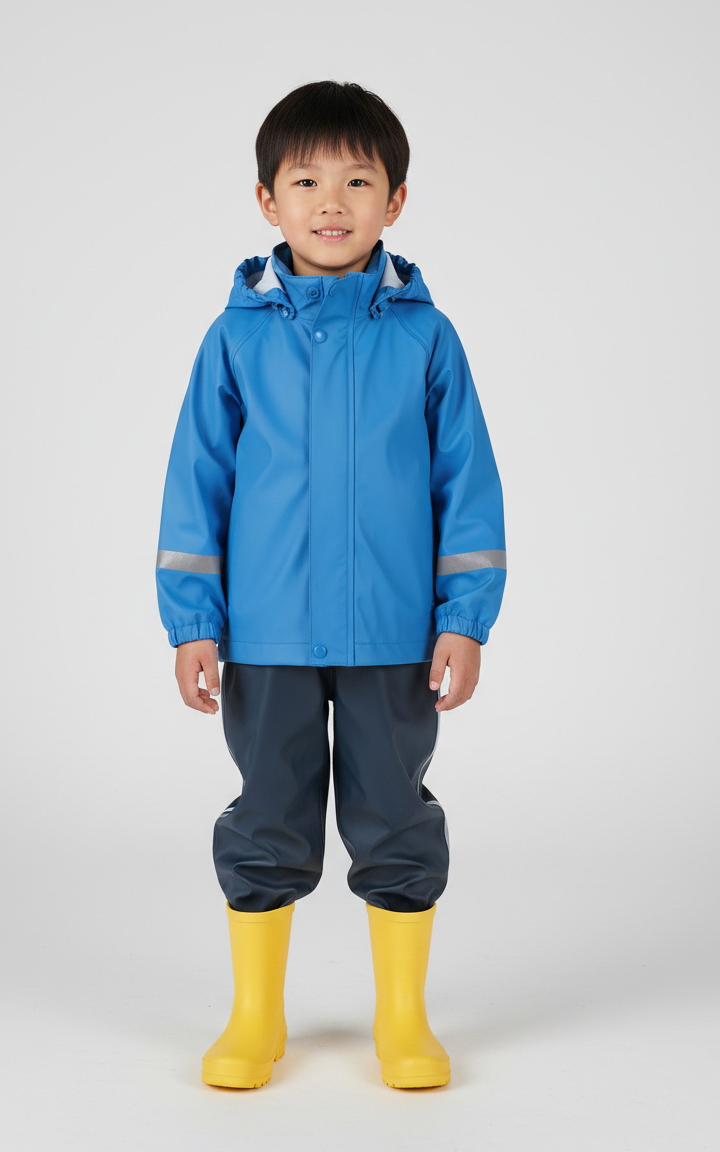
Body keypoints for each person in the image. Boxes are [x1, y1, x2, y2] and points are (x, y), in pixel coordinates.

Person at [155, 80, 506, 1090]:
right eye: (305, 181)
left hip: (393, 636)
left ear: (395, 200)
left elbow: (466, 487)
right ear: (266, 199)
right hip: (265, 635)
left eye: (358, 180)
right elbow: (196, 486)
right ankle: (254, 1016)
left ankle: (402, 1018)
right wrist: (192, 622)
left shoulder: (427, 338)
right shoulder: (234, 339)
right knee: (267, 813)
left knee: (394, 816)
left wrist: (464, 618)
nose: (332, 202)